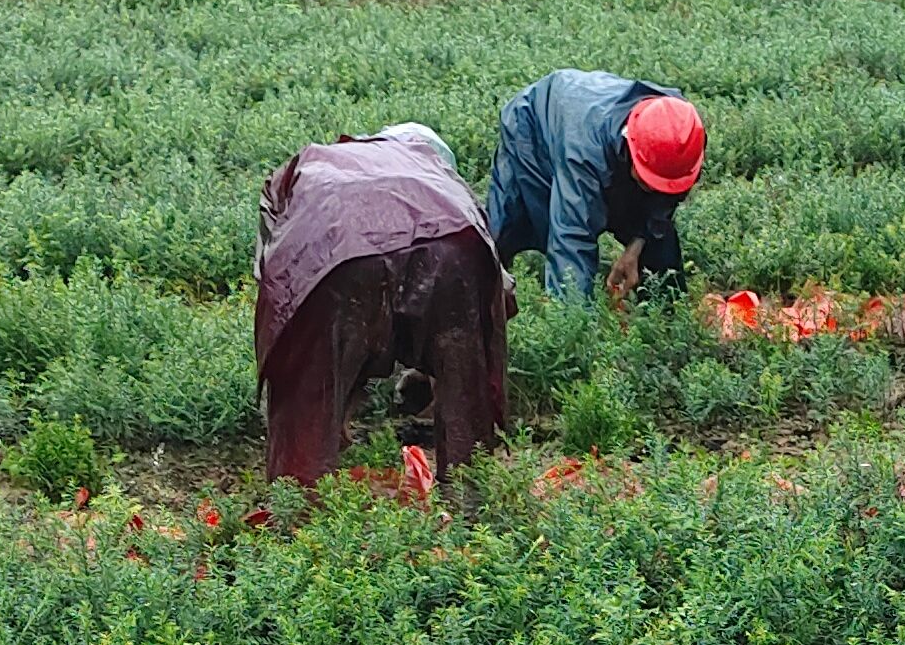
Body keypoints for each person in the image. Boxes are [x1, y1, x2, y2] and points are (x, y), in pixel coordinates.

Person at [255, 123, 511, 484]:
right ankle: (470, 507)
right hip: (450, 248)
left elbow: (280, 289)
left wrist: (325, 398)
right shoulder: (444, 181)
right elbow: (493, 294)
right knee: (464, 377)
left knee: (311, 372)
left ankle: (297, 509)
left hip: (334, 250)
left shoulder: (309, 167)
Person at [484, 71, 706, 307]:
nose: (652, 189)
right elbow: (572, 238)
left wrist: (637, 244)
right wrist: (577, 329)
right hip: (533, 128)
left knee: (658, 244)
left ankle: (666, 314)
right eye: (646, 179)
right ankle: (483, 307)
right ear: (630, 147)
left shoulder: (685, 134)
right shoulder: (583, 156)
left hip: (598, 129)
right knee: (503, 235)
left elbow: (665, 200)